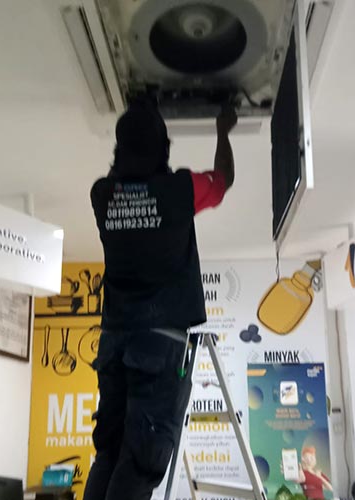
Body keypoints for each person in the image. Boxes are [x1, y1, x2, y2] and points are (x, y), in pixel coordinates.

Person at [84, 99, 237, 500]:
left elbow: (121, 178)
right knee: (141, 460)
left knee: (109, 452)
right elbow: (223, 180)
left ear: (118, 150)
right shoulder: (179, 191)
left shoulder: (102, 195)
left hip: (115, 341)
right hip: (158, 343)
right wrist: (223, 130)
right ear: (163, 149)